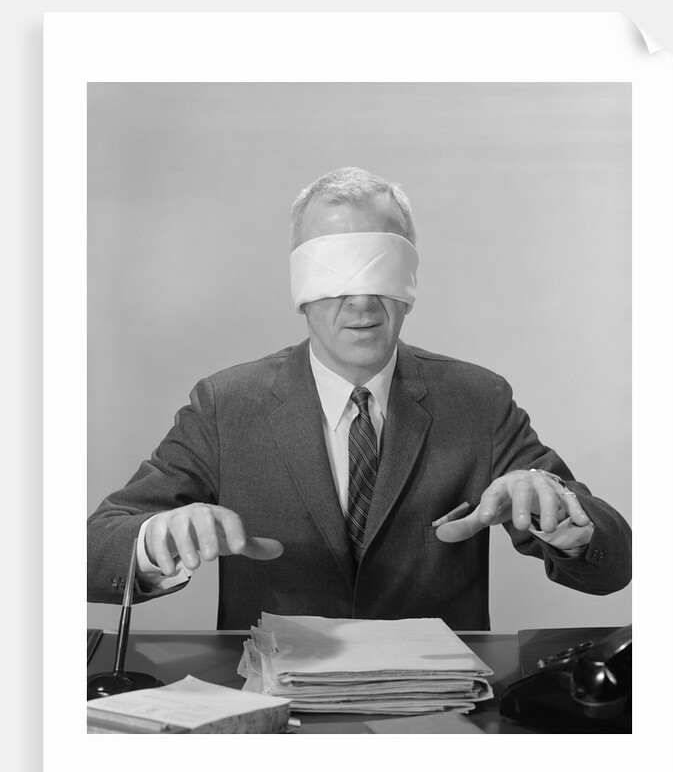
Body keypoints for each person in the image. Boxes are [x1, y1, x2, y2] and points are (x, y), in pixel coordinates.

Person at [87, 167, 632, 629]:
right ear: (301, 289)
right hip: (275, 702)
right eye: (335, 277)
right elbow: (93, 550)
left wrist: (561, 514)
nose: (363, 302)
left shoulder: (478, 402)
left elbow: (615, 563)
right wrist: (154, 540)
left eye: (381, 273)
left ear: (410, 282)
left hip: (432, 712)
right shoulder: (226, 405)